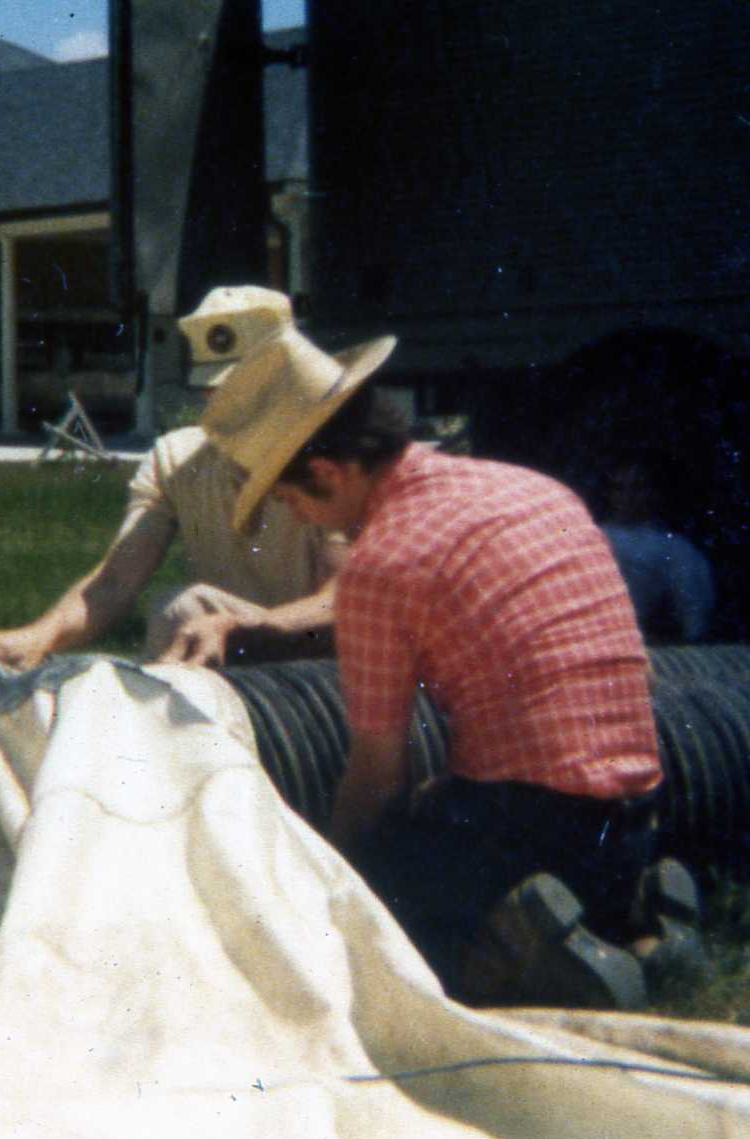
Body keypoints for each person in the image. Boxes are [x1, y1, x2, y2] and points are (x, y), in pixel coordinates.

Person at [209, 322, 699, 1009]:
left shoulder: (382, 563)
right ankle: (636, 922)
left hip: (533, 824)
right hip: (638, 810)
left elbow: (377, 773)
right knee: (456, 806)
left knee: (379, 900)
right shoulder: (536, 490)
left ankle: (523, 956)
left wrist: (331, 875)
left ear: (326, 472)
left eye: (293, 502)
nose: (306, 522)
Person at [0, 286, 344, 694]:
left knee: (186, 608)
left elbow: (342, 600)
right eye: (217, 390)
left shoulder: (330, 462)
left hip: (320, 669)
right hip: (224, 654)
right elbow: (115, 581)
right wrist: (38, 636)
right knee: (177, 613)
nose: (226, 403)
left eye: (246, 389)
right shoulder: (177, 459)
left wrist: (241, 626)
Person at [597, 454, 715, 644]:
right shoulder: (591, 538)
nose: (627, 496)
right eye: (619, 488)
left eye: (637, 487)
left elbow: (694, 619)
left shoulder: (676, 548)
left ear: (652, 492)